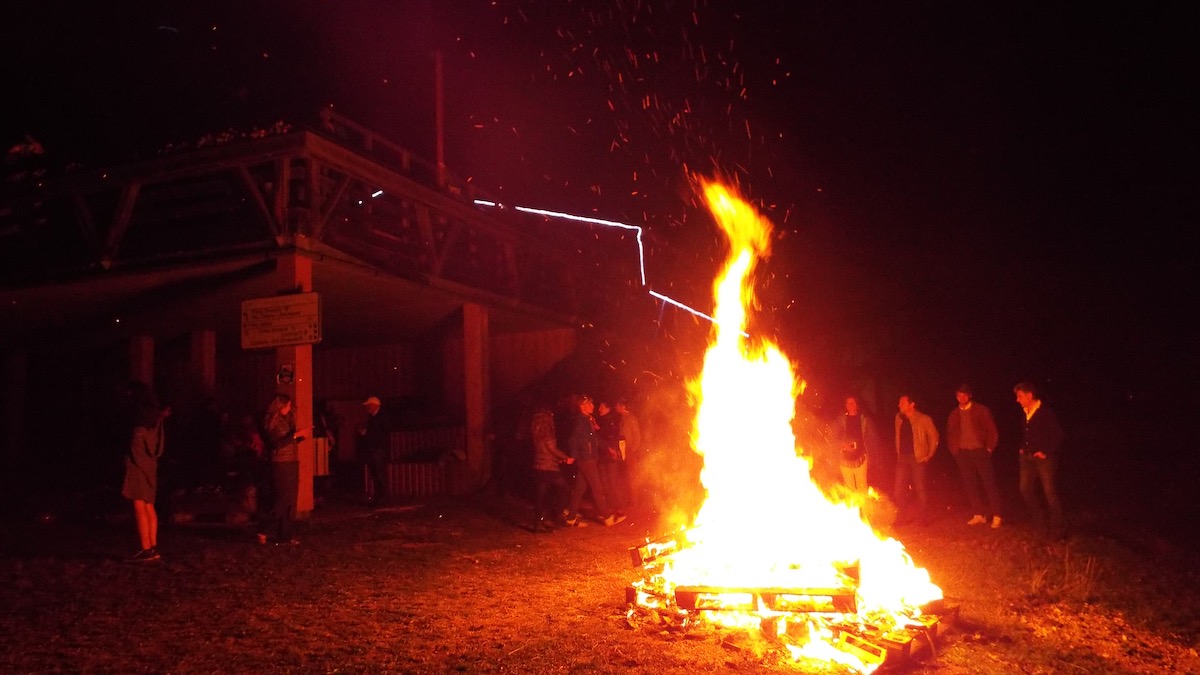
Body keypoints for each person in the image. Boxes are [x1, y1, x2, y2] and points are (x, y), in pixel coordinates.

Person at [120, 380, 168, 562]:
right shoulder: (155, 417)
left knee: (139, 505)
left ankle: (146, 549)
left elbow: (135, 445)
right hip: (151, 464)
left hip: (139, 465)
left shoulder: (139, 421)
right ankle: (153, 547)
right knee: (149, 505)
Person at [1014, 382, 1066, 540]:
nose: (1017, 400)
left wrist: (1045, 451)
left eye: (1020, 396)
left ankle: (1058, 528)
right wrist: (1023, 447)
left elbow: (1058, 435)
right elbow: (1027, 435)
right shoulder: (1025, 413)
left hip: (1044, 459)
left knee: (1049, 492)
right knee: (1025, 489)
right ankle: (1039, 522)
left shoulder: (1045, 412)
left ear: (1030, 395)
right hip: (1027, 458)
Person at [946, 383, 1002, 528]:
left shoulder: (981, 410)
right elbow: (950, 433)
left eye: (964, 395)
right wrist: (954, 450)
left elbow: (992, 430)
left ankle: (997, 515)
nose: (961, 398)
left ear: (970, 396)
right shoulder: (954, 414)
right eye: (959, 395)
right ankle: (978, 514)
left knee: (988, 482)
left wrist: (989, 448)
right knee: (970, 484)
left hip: (980, 450)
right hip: (963, 452)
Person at [564, 394, 621, 527]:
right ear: (582, 406)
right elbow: (573, 439)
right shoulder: (580, 421)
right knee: (597, 488)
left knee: (579, 489)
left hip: (587, 458)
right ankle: (607, 517)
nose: (593, 406)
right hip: (586, 459)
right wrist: (573, 455)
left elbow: (594, 439)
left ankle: (570, 518)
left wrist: (608, 448)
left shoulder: (586, 420)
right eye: (589, 404)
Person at [258, 393, 304, 545]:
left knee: (291, 502)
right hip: (281, 464)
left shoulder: (286, 420)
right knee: (282, 500)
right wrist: (294, 436)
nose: (290, 408)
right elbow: (276, 444)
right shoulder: (273, 422)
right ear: (280, 406)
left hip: (291, 461)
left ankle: (285, 536)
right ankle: (263, 528)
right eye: (288, 405)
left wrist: (298, 437)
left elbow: (287, 440)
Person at [893, 393, 939, 524]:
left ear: (912, 404)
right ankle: (902, 516)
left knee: (920, 489)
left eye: (902, 403)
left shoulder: (923, 419)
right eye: (899, 403)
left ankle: (922, 518)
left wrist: (929, 454)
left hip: (917, 458)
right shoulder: (898, 418)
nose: (899, 405)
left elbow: (934, 436)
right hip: (902, 458)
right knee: (898, 490)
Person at [529, 404, 573, 532]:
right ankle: (556, 515)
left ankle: (538, 523)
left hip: (538, 465)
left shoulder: (536, 430)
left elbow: (544, 449)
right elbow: (552, 448)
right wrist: (566, 457)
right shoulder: (547, 431)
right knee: (564, 488)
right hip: (549, 467)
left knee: (540, 495)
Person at [834, 395, 876, 497]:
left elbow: (873, 438)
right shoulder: (841, 420)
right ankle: (853, 507)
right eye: (848, 403)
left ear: (857, 405)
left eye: (852, 403)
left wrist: (874, 457)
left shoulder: (864, 420)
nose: (850, 405)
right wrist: (842, 445)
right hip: (845, 461)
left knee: (862, 489)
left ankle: (864, 507)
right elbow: (833, 437)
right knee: (850, 491)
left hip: (861, 459)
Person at [595, 401, 629, 517]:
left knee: (612, 482)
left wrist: (598, 429)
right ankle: (611, 506)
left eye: (601, 407)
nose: (599, 409)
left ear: (608, 409)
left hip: (611, 455)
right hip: (602, 456)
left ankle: (619, 507)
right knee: (604, 483)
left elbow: (612, 436)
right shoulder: (599, 420)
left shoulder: (613, 420)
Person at [357, 396, 389, 506]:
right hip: (374, 449)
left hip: (377, 450)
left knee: (379, 474)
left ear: (374, 405)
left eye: (368, 406)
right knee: (375, 474)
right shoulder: (374, 418)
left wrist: (366, 434)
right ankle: (378, 497)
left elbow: (379, 434)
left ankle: (382, 497)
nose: (367, 408)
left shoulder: (380, 418)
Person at [614, 398, 641, 509]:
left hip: (630, 451)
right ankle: (628, 500)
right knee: (625, 476)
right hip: (623, 451)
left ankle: (634, 502)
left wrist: (632, 450)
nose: (616, 407)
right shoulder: (622, 418)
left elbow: (637, 436)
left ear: (623, 406)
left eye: (617, 405)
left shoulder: (631, 419)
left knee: (632, 476)